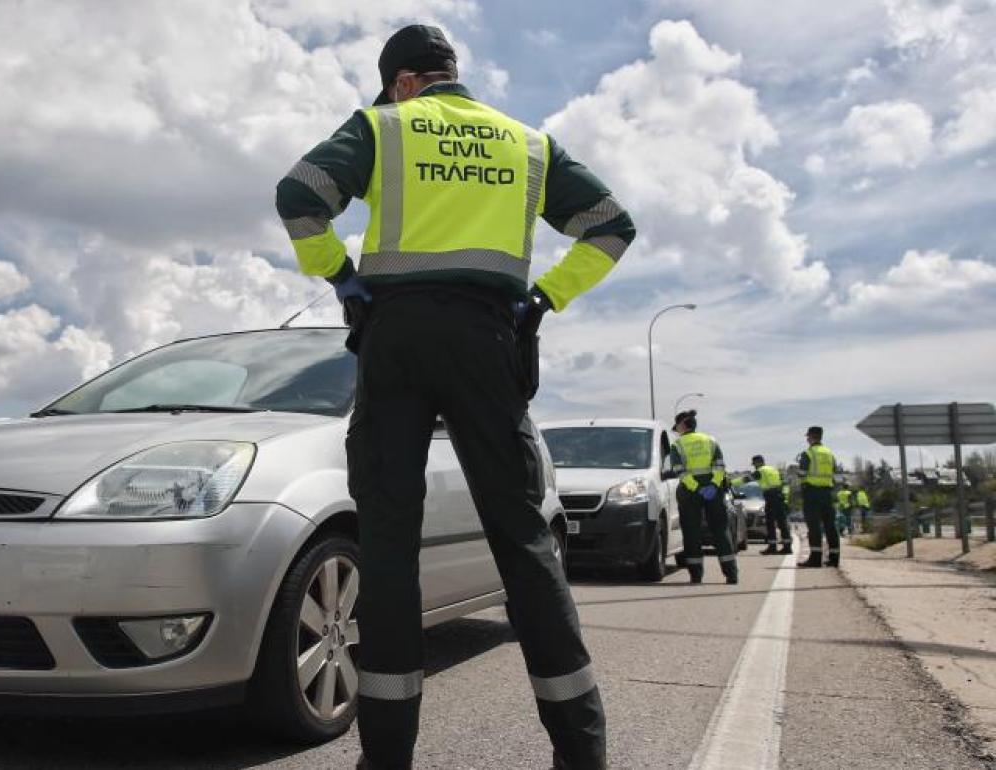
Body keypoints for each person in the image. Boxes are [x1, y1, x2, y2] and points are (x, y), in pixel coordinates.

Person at [276, 24, 635, 770]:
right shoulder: (528, 143)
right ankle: (582, 754)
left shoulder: (383, 126)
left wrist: (342, 278)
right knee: (526, 545)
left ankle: (387, 758)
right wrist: (542, 301)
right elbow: (610, 227)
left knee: (388, 548)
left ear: (404, 82)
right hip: (488, 339)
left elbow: (300, 196)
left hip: (396, 338)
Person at [669, 410, 737, 585]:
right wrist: (713, 485)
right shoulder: (711, 440)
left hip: (690, 492)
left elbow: (680, 471)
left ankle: (696, 575)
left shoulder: (678, 445)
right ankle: (731, 574)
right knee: (721, 530)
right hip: (713, 490)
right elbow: (720, 466)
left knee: (692, 532)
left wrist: (697, 488)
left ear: (683, 425)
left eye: (677, 426)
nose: (676, 429)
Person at [797, 426, 839, 567]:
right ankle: (834, 558)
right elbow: (834, 470)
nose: (807, 439)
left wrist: (801, 477)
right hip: (827, 493)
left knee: (814, 526)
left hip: (812, 493)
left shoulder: (808, 453)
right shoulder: (829, 453)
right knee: (830, 526)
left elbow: (802, 473)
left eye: (808, 436)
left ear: (811, 437)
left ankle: (815, 559)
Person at [752, 455, 791, 555]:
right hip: (779, 496)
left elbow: (746, 479)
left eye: (754, 464)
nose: (754, 466)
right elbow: (785, 484)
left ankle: (772, 547)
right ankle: (787, 547)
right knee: (782, 523)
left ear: (758, 462)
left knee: (770, 523)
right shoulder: (774, 470)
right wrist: (786, 500)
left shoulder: (760, 471)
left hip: (770, 496)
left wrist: (731, 483)